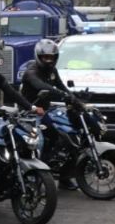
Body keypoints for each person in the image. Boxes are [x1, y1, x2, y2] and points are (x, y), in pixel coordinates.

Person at [20, 39, 82, 190]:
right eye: (45, 57)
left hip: (45, 112)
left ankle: (64, 176)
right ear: (38, 57)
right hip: (28, 114)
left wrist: (74, 98)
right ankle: (34, 177)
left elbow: (61, 87)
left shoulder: (52, 72)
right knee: (38, 142)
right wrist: (63, 96)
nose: (48, 60)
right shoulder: (31, 72)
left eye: (51, 57)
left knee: (67, 138)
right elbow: (42, 86)